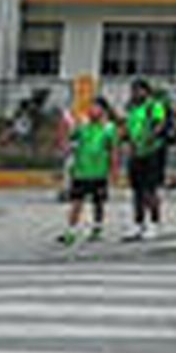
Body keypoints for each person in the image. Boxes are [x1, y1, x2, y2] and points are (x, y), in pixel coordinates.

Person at [59, 98, 117, 244]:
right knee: (76, 202)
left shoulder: (109, 128)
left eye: (95, 107)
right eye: (90, 107)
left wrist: (113, 170)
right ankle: (70, 231)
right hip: (81, 171)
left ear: (103, 110)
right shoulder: (82, 126)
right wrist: (65, 130)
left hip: (99, 172)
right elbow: (69, 140)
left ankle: (97, 228)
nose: (91, 110)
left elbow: (113, 150)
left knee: (98, 203)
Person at [122, 78, 171, 240]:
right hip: (135, 153)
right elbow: (128, 128)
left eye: (138, 90)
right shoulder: (131, 108)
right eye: (133, 90)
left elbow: (160, 123)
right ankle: (138, 224)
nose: (135, 93)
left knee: (150, 190)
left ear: (145, 91)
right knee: (137, 191)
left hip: (152, 152)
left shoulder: (153, 106)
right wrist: (128, 140)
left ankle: (154, 223)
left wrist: (150, 137)